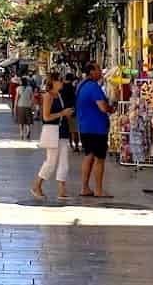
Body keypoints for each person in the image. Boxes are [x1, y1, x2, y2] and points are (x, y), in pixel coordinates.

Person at [75, 62, 113, 198]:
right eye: (98, 69)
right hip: (96, 128)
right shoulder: (93, 87)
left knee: (88, 156)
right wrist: (111, 108)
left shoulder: (81, 85)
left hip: (84, 126)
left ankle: (84, 188)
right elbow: (102, 107)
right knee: (99, 159)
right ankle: (98, 190)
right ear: (91, 72)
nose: (101, 72)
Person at [31, 71, 70, 200]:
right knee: (51, 161)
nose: (62, 82)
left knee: (64, 160)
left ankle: (61, 189)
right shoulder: (48, 96)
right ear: (53, 82)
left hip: (62, 130)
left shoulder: (58, 95)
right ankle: (37, 185)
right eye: (60, 80)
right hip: (53, 130)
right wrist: (62, 113)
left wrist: (65, 114)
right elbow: (46, 117)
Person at [61, 73, 79, 150]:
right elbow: (76, 99)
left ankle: (70, 144)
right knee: (74, 129)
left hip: (64, 110)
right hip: (72, 110)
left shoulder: (61, 88)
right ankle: (76, 145)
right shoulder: (73, 88)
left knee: (67, 129)